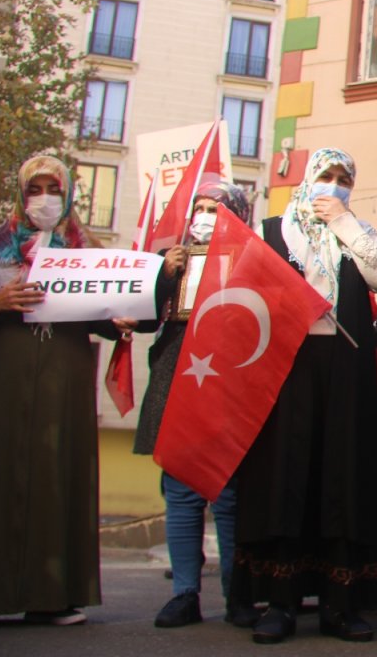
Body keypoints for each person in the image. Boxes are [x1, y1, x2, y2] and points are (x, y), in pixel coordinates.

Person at [234, 147, 377, 644]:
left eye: (343, 178)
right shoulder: (271, 232)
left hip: (346, 376)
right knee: (287, 478)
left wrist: (347, 224)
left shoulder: (356, 233)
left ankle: (341, 604)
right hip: (287, 375)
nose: (333, 185)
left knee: (342, 481)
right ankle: (279, 603)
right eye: (325, 176)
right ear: (307, 180)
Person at [0, 156, 128, 626]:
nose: (44, 197)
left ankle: (53, 596)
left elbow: (107, 310)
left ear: (67, 194)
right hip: (4, 368)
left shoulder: (87, 251)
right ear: (21, 193)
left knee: (58, 469)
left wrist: (122, 315)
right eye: (35, 188)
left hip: (64, 370)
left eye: (53, 188)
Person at [130, 183, 259, 629]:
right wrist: (165, 275)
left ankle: (236, 594)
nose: (206, 216)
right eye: (200, 208)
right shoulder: (171, 261)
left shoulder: (255, 260)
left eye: (217, 208)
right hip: (177, 383)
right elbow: (141, 317)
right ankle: (184, 594)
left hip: (229, 386)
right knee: (182, 494)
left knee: (229, 496)